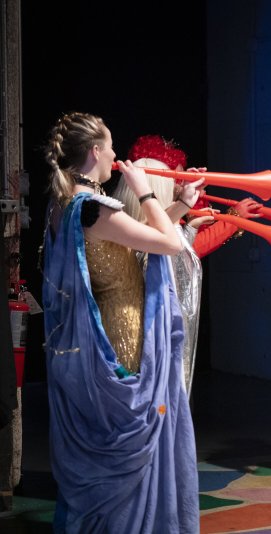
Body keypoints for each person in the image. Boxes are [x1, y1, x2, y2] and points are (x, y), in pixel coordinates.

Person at [41, 112, 200, 532]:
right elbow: (166, 243)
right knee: (133, 449)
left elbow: (135, 238)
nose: (115, 155)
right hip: (121, 331)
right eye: (110, 147)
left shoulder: (68, 204)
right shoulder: (94, 208)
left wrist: (181, 202)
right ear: (95, 151)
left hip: (102, 332)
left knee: (114, 444)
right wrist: (145, 192)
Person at [114, 134, 261, 396]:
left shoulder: (155, 218)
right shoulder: (144, 227)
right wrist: (232, 220)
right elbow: (186, 250)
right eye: (175, 178)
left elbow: (186, 240)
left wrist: (197, 201)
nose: (180, 183)